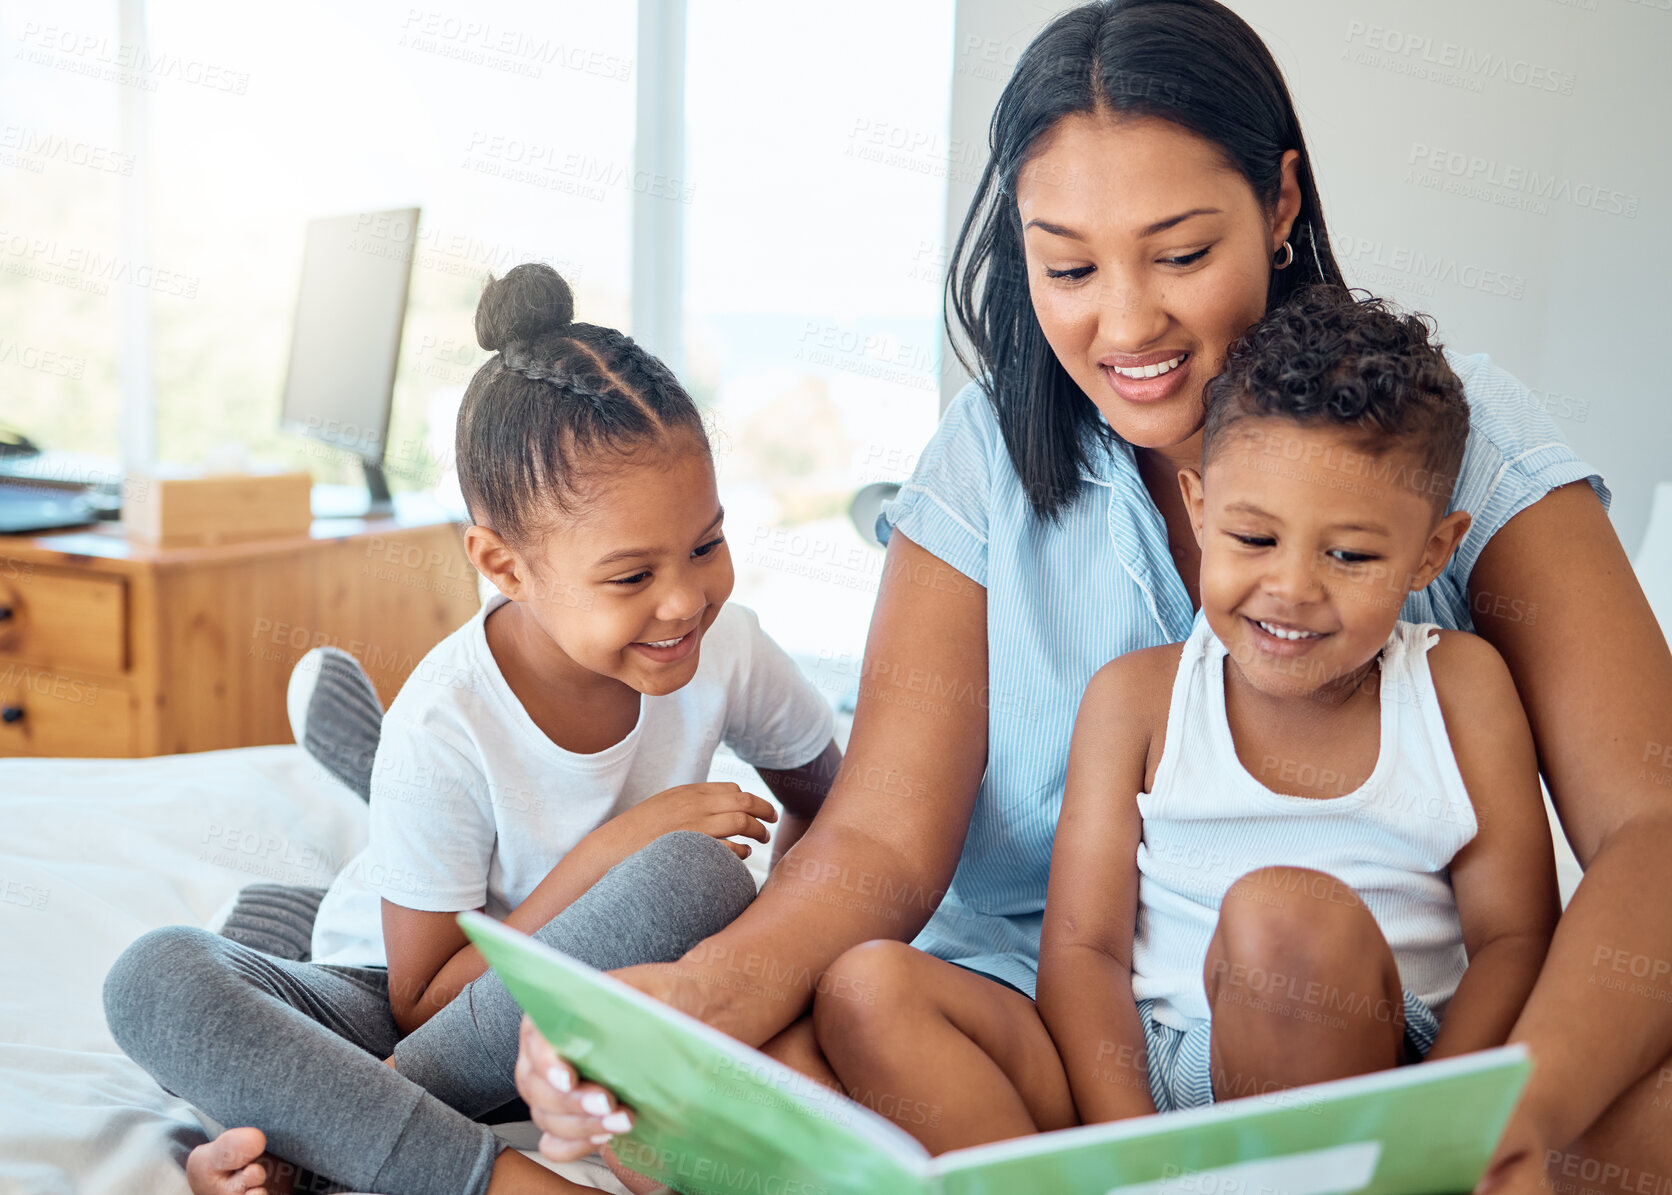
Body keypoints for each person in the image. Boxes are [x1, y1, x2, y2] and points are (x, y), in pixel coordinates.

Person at [515, 2, 1672, 1190]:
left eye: (1178, 254)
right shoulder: (983, 460)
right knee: (671, 1111)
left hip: (1371, 1030)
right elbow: (875, 840)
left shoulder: (1446, 434)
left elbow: (1652, 826)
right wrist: (693, 998)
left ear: (1278, 205)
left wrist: (1522, 1103)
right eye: (1066, 265)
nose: (1125, 325)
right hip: (1059, 1049)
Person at [102, 262, 841, 1195]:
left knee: (700, 877)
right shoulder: (447, 715)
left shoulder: (728, 645)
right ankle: (485, 1176)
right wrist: (613, 849)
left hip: (590, 1014)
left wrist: (769, 947)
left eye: (708, 543)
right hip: (404, 1010)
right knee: (157, 978)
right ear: (504, 565)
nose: (686, 599)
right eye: (630, 577)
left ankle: (337, 1141)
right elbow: (419, 1007)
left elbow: (842, 809)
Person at [824, 284, 1563, 1147]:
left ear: (1431, 551)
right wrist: (1130, 1142)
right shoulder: (1138, 698)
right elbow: (1083, 952)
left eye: (1351, 554)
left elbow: (1516, 937)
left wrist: (1437, 1127)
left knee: (1282, 922)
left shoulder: (1460, 688)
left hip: (1372, 1073)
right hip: (1156, 1067)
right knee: (866, 988)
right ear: (1202, 511)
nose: (1292, 588)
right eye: (1254, 539)